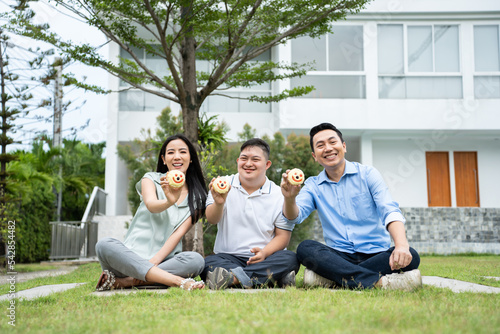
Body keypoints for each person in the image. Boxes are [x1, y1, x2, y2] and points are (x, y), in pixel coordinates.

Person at [281, 123, 421, 290]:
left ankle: (332, 279)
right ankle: (380, 282)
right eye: (320, 145)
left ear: (344, 146)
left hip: (376, 254)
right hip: (339, 257)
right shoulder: (313, 185)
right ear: (315, 156)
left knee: (411, 255)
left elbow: (389, 210)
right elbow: (294, 217)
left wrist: (401, 245)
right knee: (305, 248)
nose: (328, 148)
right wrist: (290, 199)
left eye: (332, 142)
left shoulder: (368, 174)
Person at [95, 134, 207, 291]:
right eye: (170, 152)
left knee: (196, 260)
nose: (176, 156)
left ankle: (126, 282)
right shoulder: (151, 179)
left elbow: (176, 235)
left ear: (191, 158)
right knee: (104, 245)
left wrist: (153, 263)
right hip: (129, 261)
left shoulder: (197, 198)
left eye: (182, 152)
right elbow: (151, 205)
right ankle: (177, 281)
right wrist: (169, 201)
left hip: (163, 262)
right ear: (163, 159)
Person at [201, 138, 299, 290]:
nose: (248, 164)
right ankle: (272, 278)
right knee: (207, 263)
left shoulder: (279, 194)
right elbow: (212, 219)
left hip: (266, 257)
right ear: (238, 161)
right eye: (244, 158)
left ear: (267, 164)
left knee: (290, 258)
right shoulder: (221, 184)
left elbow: (283, 236)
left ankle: (232, 279)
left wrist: (264, 253)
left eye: (255, 159)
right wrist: (219, 203)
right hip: (228, 256)